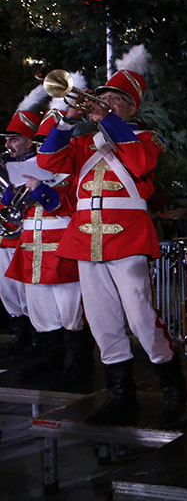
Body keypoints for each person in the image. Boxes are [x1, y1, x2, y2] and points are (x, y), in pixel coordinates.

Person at [38, 46, 187, 428]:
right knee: (103, 321)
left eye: (116, 99)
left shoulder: (145, 138)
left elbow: (139, 163)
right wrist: (68, 121)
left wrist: (109, 122)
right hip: (86, 237)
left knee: (141, 317)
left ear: (131, 109)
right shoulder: (82, 143)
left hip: (128, 237)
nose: (104, 102)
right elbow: (47, 161)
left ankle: (173, 389)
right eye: (102, 97)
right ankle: (120, 395)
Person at [4, 87, 94, 383]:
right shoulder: (22, 168)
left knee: (72, 313)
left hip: (61, 248)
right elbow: (13, 208)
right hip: (32, 247)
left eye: (45, 143)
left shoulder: (72, 169)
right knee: (42, 311)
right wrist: (13, 194)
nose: (44, 151)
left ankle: (80, 368)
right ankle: (51, 361)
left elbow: (70, 205)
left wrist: (41, 191)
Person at [0, 98, 36, 361]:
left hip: (29, 236)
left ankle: (37, 339)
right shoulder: (5, 165)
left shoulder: (41, 163)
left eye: (13, 139)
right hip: (4, 237)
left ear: (29, 140)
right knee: (7, 289)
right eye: (7, 139)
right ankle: (20, 334)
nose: (7, 145)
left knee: (30, 292)